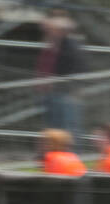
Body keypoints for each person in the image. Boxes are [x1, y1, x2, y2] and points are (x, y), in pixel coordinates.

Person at [36, 10, 85, 141]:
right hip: (52, 93)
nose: (49, 32)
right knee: (54, 127)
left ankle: (70, 155)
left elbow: (75, 68)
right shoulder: (52, 46)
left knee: (67, 128)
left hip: (64, 93)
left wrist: (55, 82)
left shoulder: (69, 47)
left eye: (52, 30)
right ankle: (56, 154)